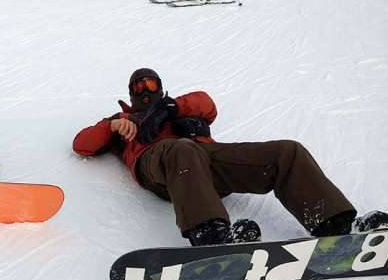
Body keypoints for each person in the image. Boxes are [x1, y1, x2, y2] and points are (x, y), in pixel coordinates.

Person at [72, 68, 387, 246]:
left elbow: (207, 104)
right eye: (138, 86)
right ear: (129, 94)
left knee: (285, 151)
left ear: (161, 87)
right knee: (183, 148)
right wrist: (114, 124)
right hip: (161, 166)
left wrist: (173, 109)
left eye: (150, 84)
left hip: (208, 161)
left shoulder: (176, 108)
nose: (144, 90)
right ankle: (209, 233)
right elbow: (82, 144)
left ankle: (333, 222)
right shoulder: (121, 121)